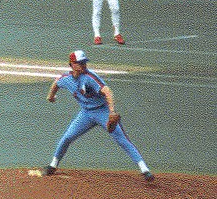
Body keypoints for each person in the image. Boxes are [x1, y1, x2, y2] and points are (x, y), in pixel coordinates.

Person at [43, 50, 154, 181]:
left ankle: (144, 169)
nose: (83, 65)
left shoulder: (90, 77)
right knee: (67, 137)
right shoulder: (66, 79)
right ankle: (53, 165)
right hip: (86, 114)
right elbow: (56, 83)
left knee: (121, 139)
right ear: (72, 64)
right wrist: (51, 97)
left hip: (103, 111)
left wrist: (112, 111)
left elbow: (107, 91)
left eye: (84, 62)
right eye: (80, 63)